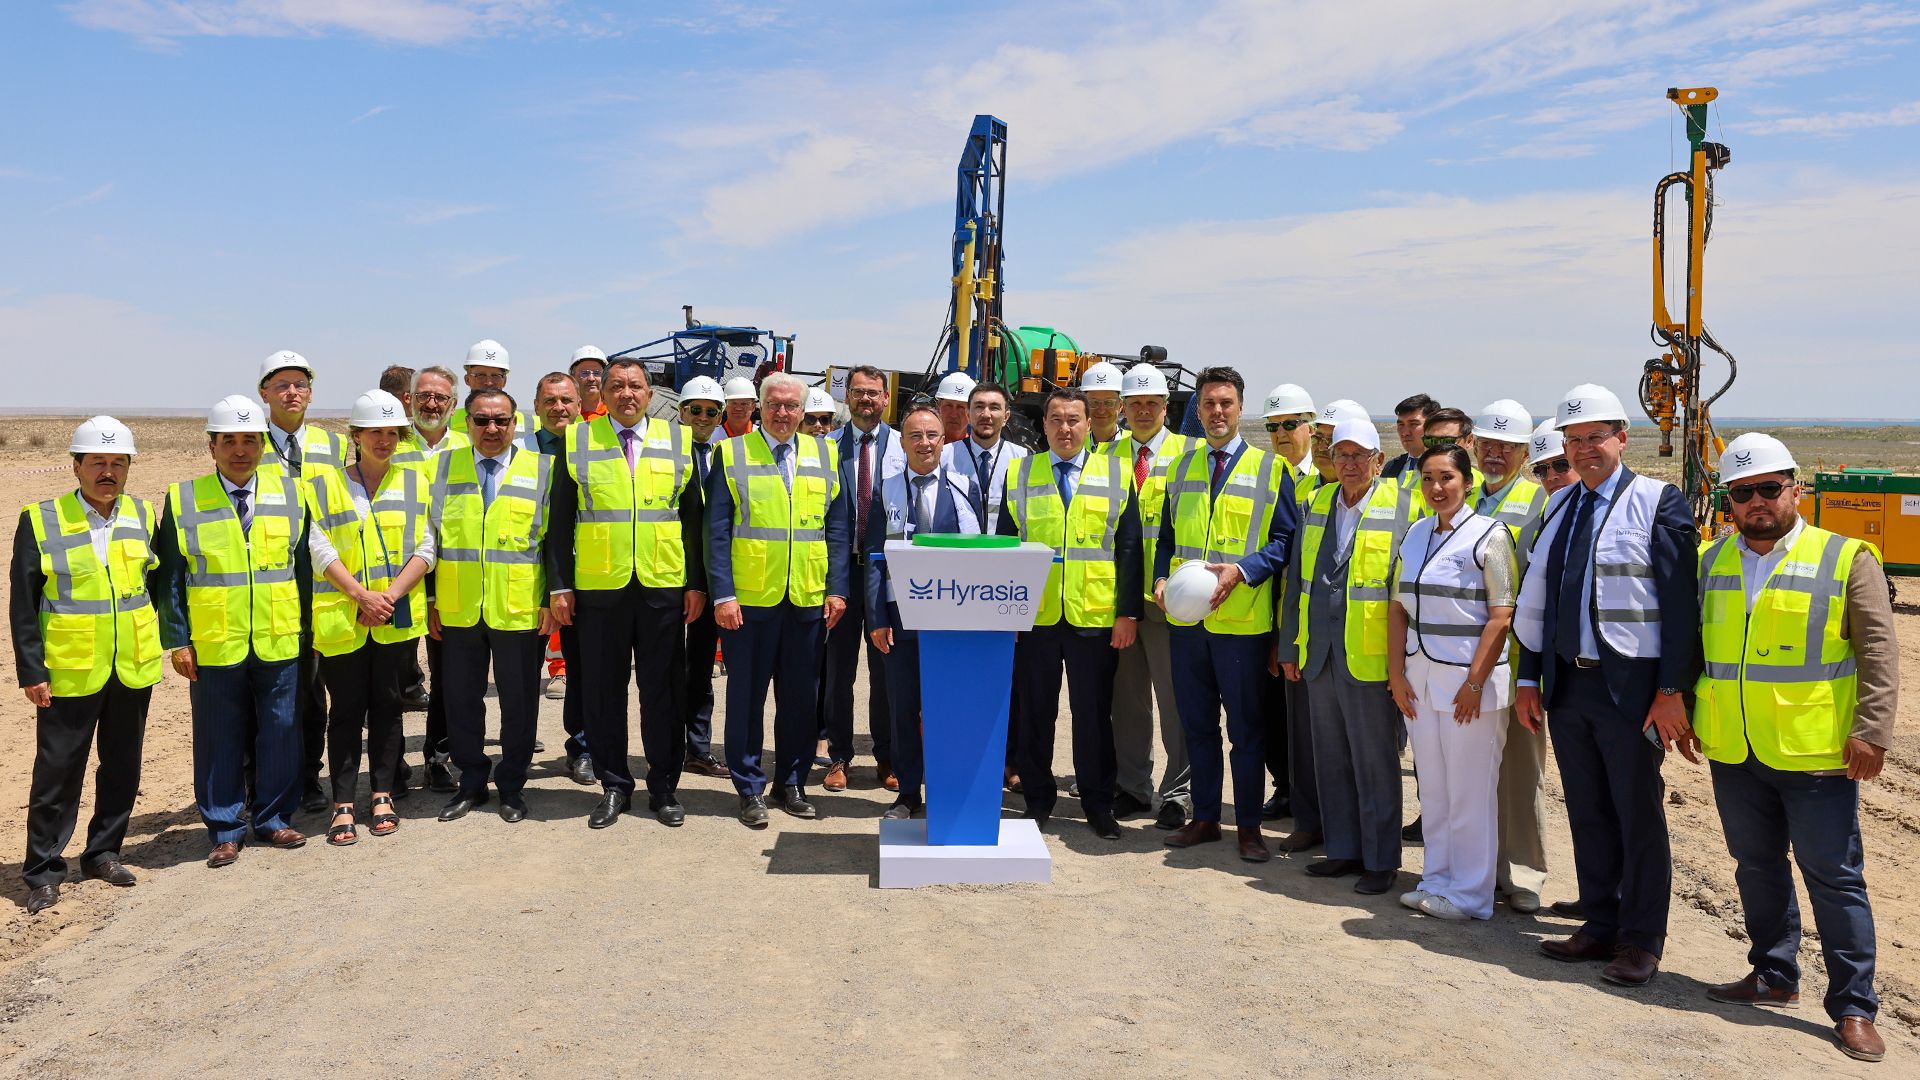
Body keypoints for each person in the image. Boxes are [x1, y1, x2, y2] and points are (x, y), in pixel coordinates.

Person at [1692, 433, 1895, 1063]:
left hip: (1817, 752)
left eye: (1769, 489)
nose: (1757, 502)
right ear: (1729, 499)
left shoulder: (1845, 557)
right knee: (1755, 868)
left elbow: (1880, 653)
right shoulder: (1712, 560)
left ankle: (1854, 1006)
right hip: (1736, 745)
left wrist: (1871, 730)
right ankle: (1774, 974)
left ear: (1794, 490)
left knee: (1834, 879)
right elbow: (1696, 646)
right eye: (1743, 492)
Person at [1514, 383, 1699, 989]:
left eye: (1596, 437)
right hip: (1569, 687)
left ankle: (1641, 940)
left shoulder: (1657, 501)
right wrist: (1528, 677)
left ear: (1622, 437)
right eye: (1574, 440)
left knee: (1637, 814)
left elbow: (1678, 603)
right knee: (1589, 810)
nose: (1585, 449)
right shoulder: (1563, 506)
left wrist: (1672, 690)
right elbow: (1541, 601)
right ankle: (1600, 922)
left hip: (1631, 690)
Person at [547, 359, 706, 828]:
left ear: (648, 391)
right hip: (600, 589)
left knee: (663, 692)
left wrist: (695, 582)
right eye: (616, 386)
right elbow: (558, 520)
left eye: (635, 385)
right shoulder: (577, 440)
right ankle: (614, 785)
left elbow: (693, 518)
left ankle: (664, 788)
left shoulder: (678, 439)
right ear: (603, 392)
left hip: (661, 586)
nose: (626, 394)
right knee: (603, 692)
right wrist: (560, 584)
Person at [12, 417, 159, 915]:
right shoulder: (40, 518)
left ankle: (103, 853)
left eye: (118, 463)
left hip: (131, 666)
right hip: (69, 668)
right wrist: (32, 669)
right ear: (76, 466)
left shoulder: (143, 515)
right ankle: (43, 870)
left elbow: (154, 590)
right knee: (57, 771)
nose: (107, 472)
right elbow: (23, 604)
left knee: (122, 766)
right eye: (97, 462)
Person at [154, 397, 310, 867]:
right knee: (218, 734)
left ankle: (274, 819)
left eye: (249, 440)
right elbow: (171, 578)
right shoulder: (183, 498)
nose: (239, 450)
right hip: (215, 641)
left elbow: (300, 568)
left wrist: (305, 629)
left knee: (281, 730)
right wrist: (177, 640)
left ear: (263, 445)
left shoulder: (292, 493)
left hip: (278, 633)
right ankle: (224, 827)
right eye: (229, 441)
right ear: (211, 446)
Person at [1154, 367, 1297, 862]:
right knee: (1196, 726)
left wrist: (1243, 570)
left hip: (1242, 626)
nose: (1217, 411)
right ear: (1197, 408)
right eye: (1208, 403)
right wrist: (1158, 580)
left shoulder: (1270, 469)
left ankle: (1250, 827)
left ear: (1241, 409)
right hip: (1188, 626)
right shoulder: (1181, 468)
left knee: (1246, 731)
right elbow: (1167, 539)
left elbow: (1285, 543)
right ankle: (1206, 818)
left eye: (1226, 403)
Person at [1284, 418, 1425, 895]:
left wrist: (1404, 664)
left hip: (1371, 657)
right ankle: (1342, 849)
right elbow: (1297, 582)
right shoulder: (1317, 502)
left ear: (1378, 461)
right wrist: (1290, 646)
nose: (1347, 463)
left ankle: (1381, 860)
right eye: (1340, 454)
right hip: (1319, 653)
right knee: (1330, 758)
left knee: (1374, 762)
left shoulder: (1405, 506)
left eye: (1357, 455)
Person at [997, 387, 1143, 840]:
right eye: (1056, 419)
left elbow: (1129, 549)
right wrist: (1009, 615)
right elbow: (1006, 549)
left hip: (1094, 618)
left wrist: (1127, 615)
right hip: (1035, 619)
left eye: (1074, 420)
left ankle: (1099, 805)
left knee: (1094, 715)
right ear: (1043, 425)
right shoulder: (1021, 473)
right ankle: (1038, 801)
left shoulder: (1117, 474)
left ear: (1089, 424)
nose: (1065, 428)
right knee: (1035, 714)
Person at [707, 372, 851, 827]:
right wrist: (723, 594)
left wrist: (837, 588)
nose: (784, 413)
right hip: (749, 602)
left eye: (793, 406)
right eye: (775, 405)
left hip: (806, 599)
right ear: (759, 407)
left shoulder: (825, 454)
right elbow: (716, 531)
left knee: (799, 700)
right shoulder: (730, 453)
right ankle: (749, 788)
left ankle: (791, 782)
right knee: (746, 699)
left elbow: (838, 529)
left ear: (803, 410)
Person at [1388, 443, 1517, 920]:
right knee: (1436, 791)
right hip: (1422, 682)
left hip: (1470, 687)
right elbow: (1399, 606)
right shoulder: (1417, 534)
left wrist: (1475, 683)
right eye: (1427, 479)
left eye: (1446, 478)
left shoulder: (1490, 535)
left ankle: (1470, 895)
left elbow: (1501, 617)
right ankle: (1436, 880)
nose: (1436, 488)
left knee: (1470, 793)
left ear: (1467, 482)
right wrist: (1396, 674)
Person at [306, 390, 435, 846]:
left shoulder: (417, 482)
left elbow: (426, 546)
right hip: (345, 616)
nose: (384, 440)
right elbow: (318, 547)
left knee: (388, 706)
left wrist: (391, 595)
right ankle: (343, 802)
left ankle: (382, 793)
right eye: (374, 432)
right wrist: (361, 595)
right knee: (344, 711)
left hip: (393, 616)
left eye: (392, 432)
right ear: (355, 436)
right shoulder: (323, 484)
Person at [427, 389, 557, 824]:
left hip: (518, 607)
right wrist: (430, 599)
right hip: (459, 606)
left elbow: (552, 543)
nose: (492, 429)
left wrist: (547, 600)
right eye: (481, 420)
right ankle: (471, 782)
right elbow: (429, 539)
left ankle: (513, 785)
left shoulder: (542, 470)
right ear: (467, 424)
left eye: (501, 420)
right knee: (462, 700)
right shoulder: (443, 468)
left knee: (519, 702)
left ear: (516, 424)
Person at [865, 404, 982, 819]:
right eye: (915, 435)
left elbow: (980, 555)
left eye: (932, 435)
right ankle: (908, 792)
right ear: (902, 442)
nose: (925, 443)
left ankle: (949, 793)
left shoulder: (965, 487)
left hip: (953, 621)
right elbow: (875, 558)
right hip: (901, 623)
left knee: (948, 710)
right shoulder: (888, 489)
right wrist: (876, 619)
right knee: (903, 710)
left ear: (944, 439)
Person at [1270, 394, 1363, 856]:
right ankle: (1310, 820)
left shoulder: (1383, 498)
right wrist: (1287, 644)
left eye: (1334, 441)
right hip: (1309, 639)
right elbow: (1293, 580)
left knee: (1357, 746)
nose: (1326, 449)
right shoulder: (1303, 495)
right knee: (1304, 738)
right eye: (1323, 440)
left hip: (1359, 646)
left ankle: (1354, 832)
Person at [1468, 399, 1551, 915]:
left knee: (1521, 773)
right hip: (1462, 659)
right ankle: (1480, 867)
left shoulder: (1540, 504)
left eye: (1507, 446)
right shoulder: (1458, 497)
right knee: (1472, 770)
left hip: (1519, 663)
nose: (1495, 454)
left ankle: (1522, 875)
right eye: (1488, 444)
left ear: (1525, 452)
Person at [256, 349, 347, 813]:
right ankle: (265, 784)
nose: (292, 393)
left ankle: (310, 779)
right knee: (275, 690)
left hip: (321, 581)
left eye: (300, 385)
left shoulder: (332, 445)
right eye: (282, 385)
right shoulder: (249, 440)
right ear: (264, 393)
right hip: (269, 581)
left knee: (314, 691)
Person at [1104, 363, 1192, 829]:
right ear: (1122, 407)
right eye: (1134, 404)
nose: (1142, 411)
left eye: (1151, 404)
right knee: (1127, 701)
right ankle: (1132, 787)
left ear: (1165, 407)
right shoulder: (1105, 455)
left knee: (1176, 700)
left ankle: (1179, 793)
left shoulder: (1189, 454)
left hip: (1169, 601)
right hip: (1120, 601)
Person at [943, 380, 1030, 790]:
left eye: (994, 407)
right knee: (961, 676)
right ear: (968, 412)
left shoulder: (1023, 459)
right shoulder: (946, 456)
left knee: (1005, 678)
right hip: (956, 585)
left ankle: (1009, 759)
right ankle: (957, 757)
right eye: (978, 407)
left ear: (1006, 415)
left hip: (1004, 584)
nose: (986, 415)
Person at [819, 366, 902, 792]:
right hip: (842, 573)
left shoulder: (902, 448)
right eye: (858, 393)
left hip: (886, 574)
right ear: (846, 398)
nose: (865, 400)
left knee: (886, 667)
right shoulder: (827, 447)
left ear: (886, 398)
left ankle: (887, 755)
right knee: (839, 671)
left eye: (873, 393)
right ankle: (839, 755)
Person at [392, 363, 471, 792]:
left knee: (445, 678)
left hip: (450, 578)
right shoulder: (390, 443)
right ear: (410, 398)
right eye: (423, 395)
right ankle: (392, 762)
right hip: (396, 578)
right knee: (393, 677)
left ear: (453, 404)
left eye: (441, 397)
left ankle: (437, 759)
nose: (432, 403)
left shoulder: (466, 446)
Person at [1258, 382, 1317, 825]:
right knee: (1271, 712)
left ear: (1310, 427)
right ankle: (1284, 787)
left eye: (1290, 424)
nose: (1281, 433)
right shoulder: (1265, 476)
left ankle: (1313, 798)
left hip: (1314, 618)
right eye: (1273, 426)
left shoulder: (1328, 478)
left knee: (1312, 717)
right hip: (1266, 610)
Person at [675, 376, 731, 779]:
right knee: (664, 669)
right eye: (695, 410)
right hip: (669, 574)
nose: (703, 417)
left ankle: (697, 748)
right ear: (681, 412)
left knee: (699, 668)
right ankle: (666, 747)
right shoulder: (663, 453)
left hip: (712, 579)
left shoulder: (728, 454)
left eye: (712, 412)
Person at [521, 373, 578, 709]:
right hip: (528, 575)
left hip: (582, 571)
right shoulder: (519, 451)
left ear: (579, 404)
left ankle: (581, 747)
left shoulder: (595, 448)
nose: (559, 408)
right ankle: (520, 747)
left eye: (566, 400)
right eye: (550, 401)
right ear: (536, 407)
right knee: (523, 673)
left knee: (585, 670)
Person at [449, 339, 530, 435]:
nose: (489, 382)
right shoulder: (447, 423)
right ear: (467, 379)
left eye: (495, 376)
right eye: (480, 375)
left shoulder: (532, 425)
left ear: (504, 381)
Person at [1380, 393, 1438, 479]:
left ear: (1433, 426)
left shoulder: (1445, 469)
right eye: (1401, 425)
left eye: (1413, 424)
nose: (1405, 432)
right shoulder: (1391, 467)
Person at [1080, 361, 1126, 453]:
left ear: (1121, 405)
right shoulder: (1074, 445)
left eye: (1108, 403)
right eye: (1094, 402)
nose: (1101, 410)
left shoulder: (1135, 445)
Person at [934, 370, 975, 445]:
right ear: (938, 407)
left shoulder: (977, 451)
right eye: (948, 406)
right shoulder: (924, 448)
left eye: (960, 407)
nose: (953, 414)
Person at [569, 346, 608, 421]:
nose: (591, 378)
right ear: (572, 376)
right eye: (584, 373)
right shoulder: (565, 413)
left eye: (597, 373)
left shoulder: (615, 412)